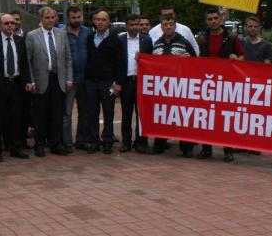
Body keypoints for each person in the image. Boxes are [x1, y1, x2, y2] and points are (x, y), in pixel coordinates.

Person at [196, 7, 244, 162]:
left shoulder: (231, 37)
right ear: (206, 21)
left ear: (220, 19)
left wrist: (236, 59)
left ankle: (228, 150)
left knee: (225, 118)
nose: (213, 21)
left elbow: (242, 56)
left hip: (226, 83)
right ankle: (206, 148)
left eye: (215, 18)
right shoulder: (203, 37)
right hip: (207, 82)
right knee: (206, 116)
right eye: (210, 19)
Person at [26, 7, 73, 157]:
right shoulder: (32, 36)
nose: (50, 20)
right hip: (40, 80)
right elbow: (28, 61)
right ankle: (39, 144)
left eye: (53, 17)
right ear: (40, 19)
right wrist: (31, 81)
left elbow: (68, 58)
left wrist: (69, 78)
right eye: (47, 17)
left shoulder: (62, 34)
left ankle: (55, 144)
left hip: (58, 79)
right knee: (40, 115)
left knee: (57, 114)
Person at [150, 15, 196, 156]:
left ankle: (187, 148)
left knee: (182, 117)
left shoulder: (184, 42)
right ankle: (159, 145)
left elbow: (196, 63)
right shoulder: (157, 43)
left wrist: (189, 58)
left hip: (180, 88)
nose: (168, 26)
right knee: (162, 116)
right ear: (161, 27)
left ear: (175, 26)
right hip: (162, 88)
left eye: (171, 24)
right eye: (165, 24)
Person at [0, 13, 33, 159]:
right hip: (0, 83)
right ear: (0, 25)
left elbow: (24, 63)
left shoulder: (20, 41)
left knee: (16, 117)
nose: (10, 26)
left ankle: (15, 148)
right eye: (6, 23)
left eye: (12, 23)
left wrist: (27, 81)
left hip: (17, 83)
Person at [84, 10, 123, 154]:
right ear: (94, 21)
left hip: (108, 83)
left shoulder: (115, 39)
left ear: (108, 22)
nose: (100, 22)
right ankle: (93, 141)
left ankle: (107, 141)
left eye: (103, 19)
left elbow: (120, 63)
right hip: (91, 82)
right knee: (92, 113)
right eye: (97, 19)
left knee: (108, 113)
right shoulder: (89, 38)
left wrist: (118, 83)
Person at [119, 14, 153, 153]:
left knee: (142, 113)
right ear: (126, 25)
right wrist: (118, 82)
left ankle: (141, 142)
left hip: (141, 82)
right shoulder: (120, 40)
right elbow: (117, 62)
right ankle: (126, 142)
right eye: (131, 24)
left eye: (137, 24)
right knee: (126, 113)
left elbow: (152, 60)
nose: (134, 27)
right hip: (126, 82)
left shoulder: (147, 40)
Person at [64, 5, 90, 152]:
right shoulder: (62, 33)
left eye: (78, 17)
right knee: (67, 113)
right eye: (73, 17)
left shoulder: (88, 32)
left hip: (85, 79)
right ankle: (67, 141)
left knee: (84, 112)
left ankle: (81, 140)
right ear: (68, 18)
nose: (76, 20)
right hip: (69, 79)